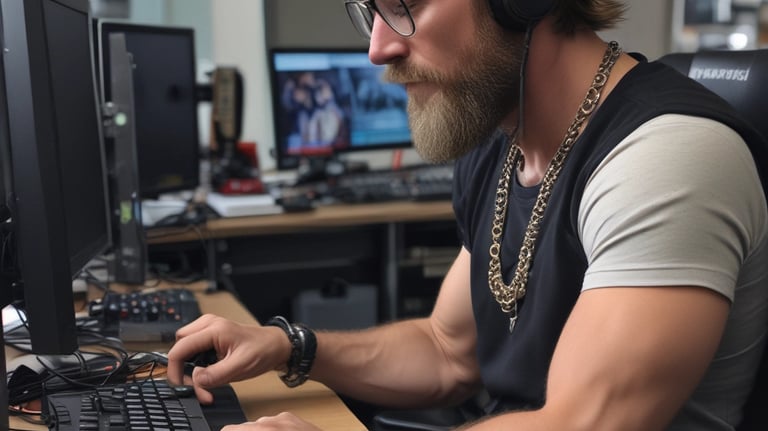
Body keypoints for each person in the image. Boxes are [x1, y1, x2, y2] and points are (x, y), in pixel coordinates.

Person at [167, 0, 768, 429]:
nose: (378, 47)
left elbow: (582, 422)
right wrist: (290, 346)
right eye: (369, 11)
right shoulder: (501, 142)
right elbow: (446, 350)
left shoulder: (667, 154)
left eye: (405, 5)